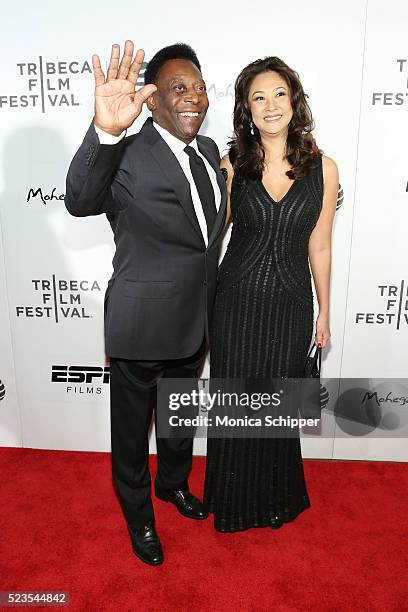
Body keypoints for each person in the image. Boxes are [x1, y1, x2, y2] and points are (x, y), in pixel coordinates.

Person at [65, 40, 226, 565]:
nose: (194, 98)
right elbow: (80, 200)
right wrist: (107, 131)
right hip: (140, 324)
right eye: (179, 88)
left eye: (199, 88)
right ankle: (140, 521)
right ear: (152, 98)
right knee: (132, 437)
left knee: (178, 420)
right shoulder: (128, 154)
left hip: (194, 323)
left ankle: (172, 485)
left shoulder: (206, 153)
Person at [204, 57, 338, 532]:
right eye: (258, 97)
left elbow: (319, 243)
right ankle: (234, 503)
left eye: (279, 93)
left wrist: (324, 311)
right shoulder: (231, 165)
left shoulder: (324, 168)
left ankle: (274, 499)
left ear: (294, 100)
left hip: (291, 305)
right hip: (236, 304)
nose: (270, 105)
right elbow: (210, 236)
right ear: (246, 108)